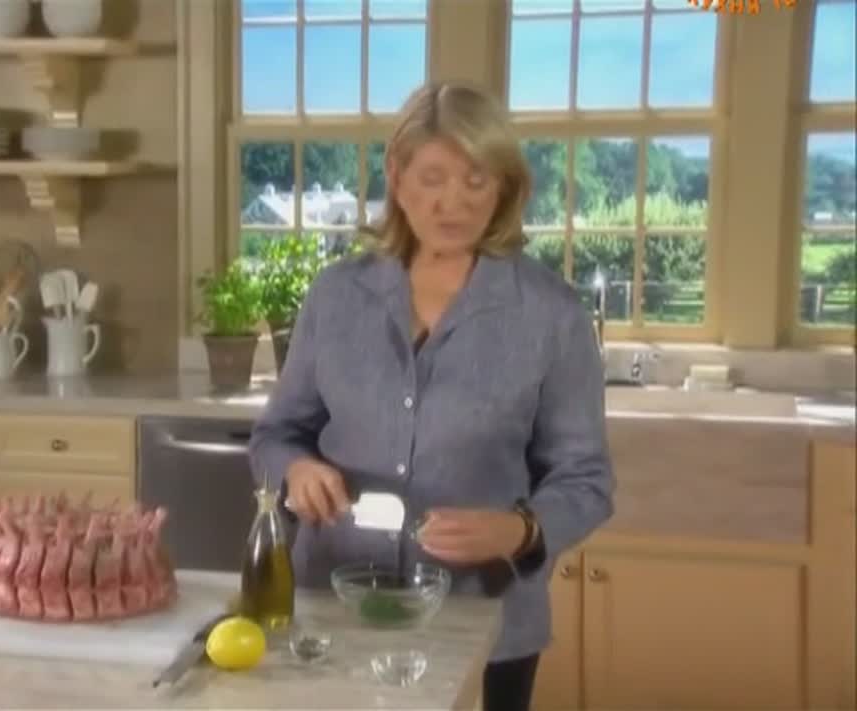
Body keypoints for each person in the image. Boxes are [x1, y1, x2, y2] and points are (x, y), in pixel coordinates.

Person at [248, 82, 616, 711]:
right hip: (333, 613)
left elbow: (586, 480)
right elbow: (276, 436)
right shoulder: (335, 296)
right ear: (397, 177)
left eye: (476, 180)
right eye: (433, 178)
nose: (454, 202)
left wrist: (520, 529)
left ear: (503, 187)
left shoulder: (551, 315)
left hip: (486, 624)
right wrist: (296, 471)